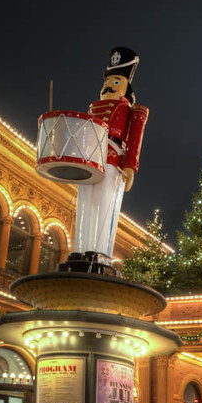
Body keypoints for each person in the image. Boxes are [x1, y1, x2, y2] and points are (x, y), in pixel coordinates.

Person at [75, 47, 150, 263]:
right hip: (90, 159)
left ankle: (99, 254)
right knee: (85, 203)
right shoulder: (93, 108)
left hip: (112, 159)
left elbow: (134, 137)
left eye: (116, 81)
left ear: (126, 87)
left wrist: (130, 166)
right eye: (107, 82)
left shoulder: (131, 110)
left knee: (106, 203)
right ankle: (81, 249)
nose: (108, 86)